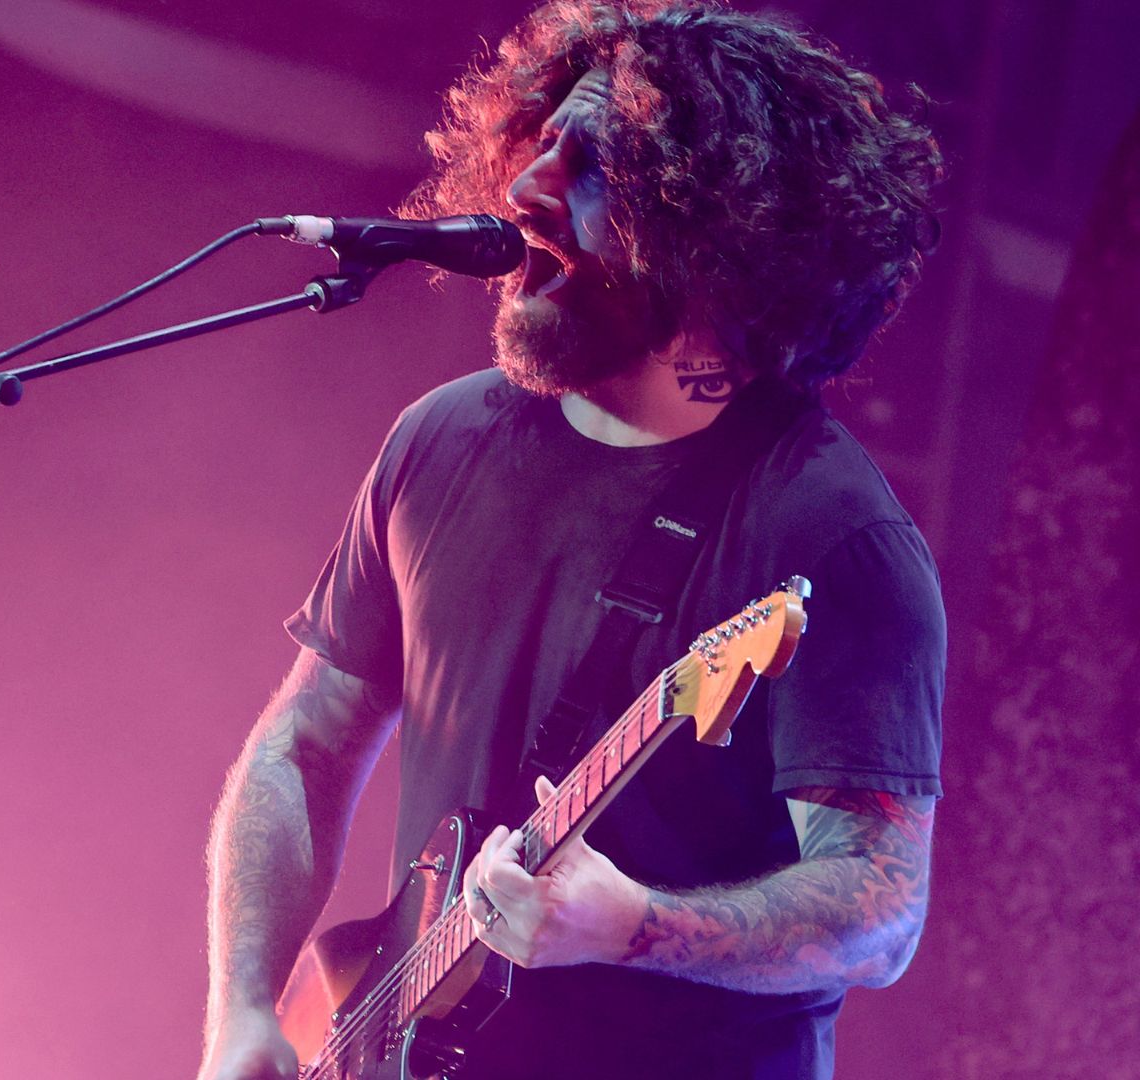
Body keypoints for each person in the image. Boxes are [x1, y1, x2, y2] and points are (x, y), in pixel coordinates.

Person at [196, 3, 946, 1079]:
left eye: (594, 164)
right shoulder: (441, 439)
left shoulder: (831, 533)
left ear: (717, 227)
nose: (525, 190)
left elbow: (879, 910)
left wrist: (634, 925)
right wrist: (242, 1012)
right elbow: (303, 748)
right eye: (539, 143)